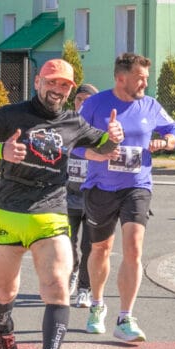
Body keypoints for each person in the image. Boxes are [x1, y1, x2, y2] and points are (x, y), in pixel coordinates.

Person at [0, 59, 123, 349]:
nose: (57, 90)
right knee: (6, 291)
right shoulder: (14, 114)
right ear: (38, 83)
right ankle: (3, 326)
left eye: (65, 85)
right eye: (52, 82)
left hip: (51, 212)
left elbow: (104, 147)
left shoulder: (74, 122)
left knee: (58, 286)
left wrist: (113, 137)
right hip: (9, 212)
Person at [80, 52, 175, 343]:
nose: (144, 84)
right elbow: (71, 140)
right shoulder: (94, 104)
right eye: (140, 78)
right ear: (120, 78)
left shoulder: (150, 105)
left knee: (134, 248)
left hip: (137, 186)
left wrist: (167, 141)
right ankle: (97, 304)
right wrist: (96, 153)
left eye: (146, 78)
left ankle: (125, 317)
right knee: (100, 249)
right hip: (101, 187)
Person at [67, 83, 101, 309]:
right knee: (66, 243)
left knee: (89, 246)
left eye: (87, 100)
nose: (82, 104)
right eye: (79, 99)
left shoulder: (100, 129)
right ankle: (72, 270)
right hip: (67, 197)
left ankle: (84, 289)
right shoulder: (66, 125)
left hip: (93, 199)